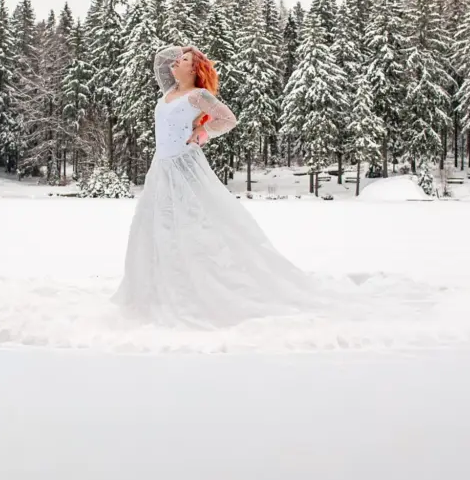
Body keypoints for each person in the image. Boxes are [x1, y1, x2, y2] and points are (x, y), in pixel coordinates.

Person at [111, 45, 329, 327]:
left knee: (195, 224)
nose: (176, 62)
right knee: (155, 225)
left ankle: (204, 289)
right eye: (176, 59)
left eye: (184, 60)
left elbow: (228, 119)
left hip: (185, 166)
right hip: (161, 168)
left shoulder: (197, 96)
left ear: (194, 69)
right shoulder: (167, 94)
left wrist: (202, 132)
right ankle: (157, 292)